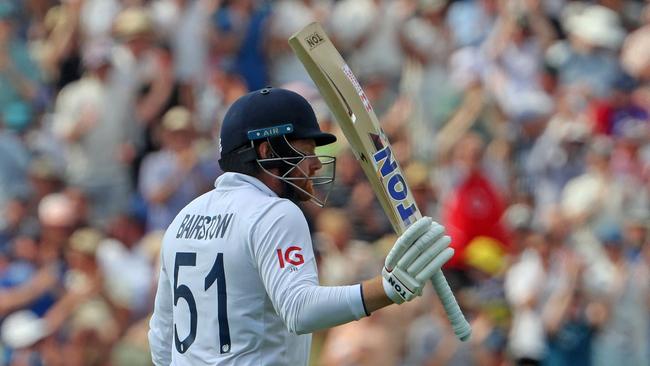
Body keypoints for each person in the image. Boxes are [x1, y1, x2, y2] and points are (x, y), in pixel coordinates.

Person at [148, 87, 455, 365]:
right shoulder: (275, 212)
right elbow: (299, 309)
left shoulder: (184, 218)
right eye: (305, 151)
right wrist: (387, 289)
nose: (316, 163)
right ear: (267, 152)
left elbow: (162, 340)